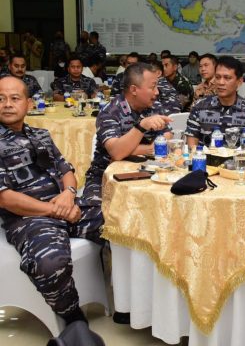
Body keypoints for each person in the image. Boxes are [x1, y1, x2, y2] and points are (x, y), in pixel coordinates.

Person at [0, 76, 104, 329]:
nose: (7, 104)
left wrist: (69, 193)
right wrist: (56, 211)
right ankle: (73, 318)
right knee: (48, 263)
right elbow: (5, 198)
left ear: (28, 103)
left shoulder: (40, 135)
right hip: (28, 219)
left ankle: (130, 304)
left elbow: (66, 170)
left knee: (123, 224)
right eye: (0, 99)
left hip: (65, 206)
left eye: (14, 98)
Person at [79, 63, 172, 231]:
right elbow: (117, 153)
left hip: (149, 174)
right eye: (152, 87)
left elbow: (167, 137)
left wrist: (132, 148)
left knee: (165, 213)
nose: (157, 92)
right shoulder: (110, 112)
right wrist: (142, 127)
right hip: (106, 177)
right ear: (134, 89)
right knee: (99, 219)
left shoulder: (154, 106)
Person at [185, 56, 245, 149]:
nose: (221, 82)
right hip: (205, 157)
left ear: (239, 82)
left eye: (227, 78)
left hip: (239, 157)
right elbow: (192, 144)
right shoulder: (200, 106)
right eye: (217, 77)